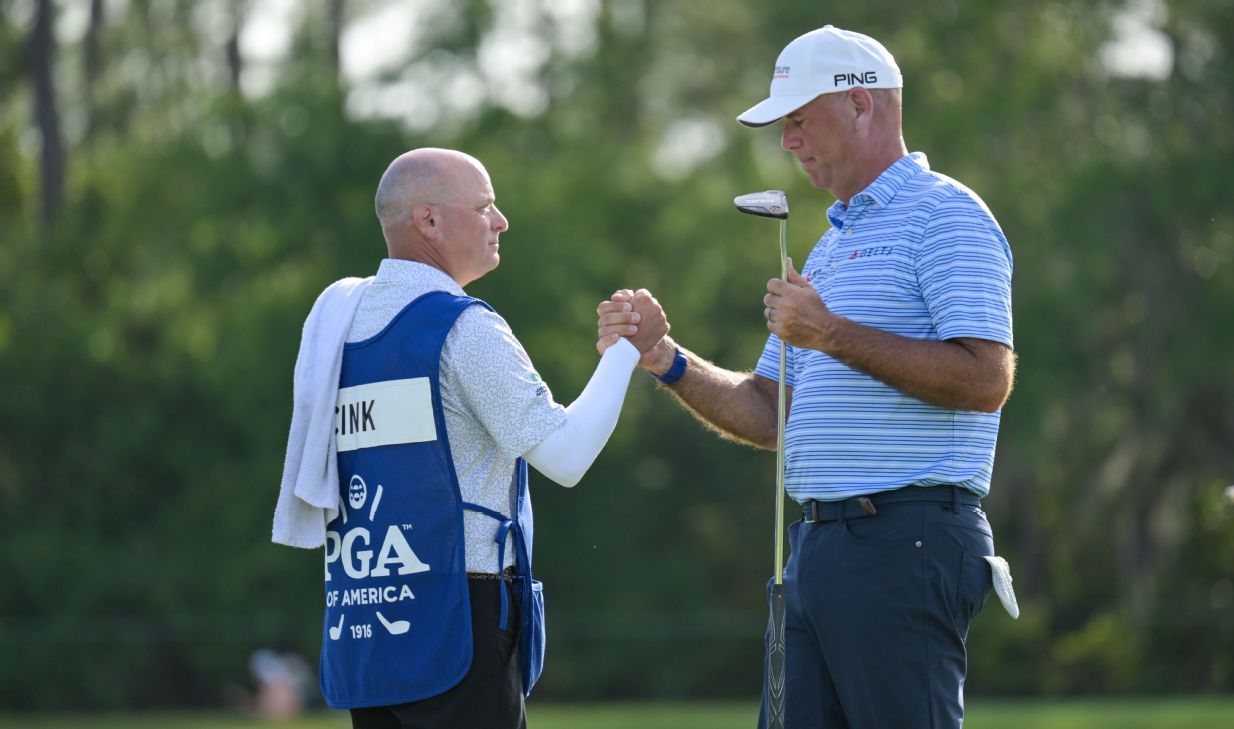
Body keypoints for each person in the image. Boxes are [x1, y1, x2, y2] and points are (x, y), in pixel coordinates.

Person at [598, 25, 1016, 729]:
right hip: (817, 549)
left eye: (799, 120)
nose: (788, 142)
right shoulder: (831, 245)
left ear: (861, 105)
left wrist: (829, 332)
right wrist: (666, 357)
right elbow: (771, 413)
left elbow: (986, 380)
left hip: (907, 541)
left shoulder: (948, 214)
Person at [273, 148, 666, 728]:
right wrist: (627, 350)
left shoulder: (340, 326)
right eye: (484, 207)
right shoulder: (463, 325)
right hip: (457, 615)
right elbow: (566, 455)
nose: (500, 221)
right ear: (429, 221)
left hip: (364, 615)